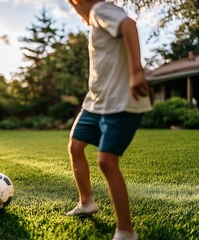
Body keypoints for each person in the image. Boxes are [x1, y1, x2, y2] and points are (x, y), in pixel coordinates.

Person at [66, 1, 152, 240]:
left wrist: (136, 71)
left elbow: (129, 24)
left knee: (106, 162)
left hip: (120, 101)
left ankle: (126, 231)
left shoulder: (101, 9)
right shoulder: (95, 19)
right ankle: (87, 203)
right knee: (75, 145)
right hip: (95, 102)